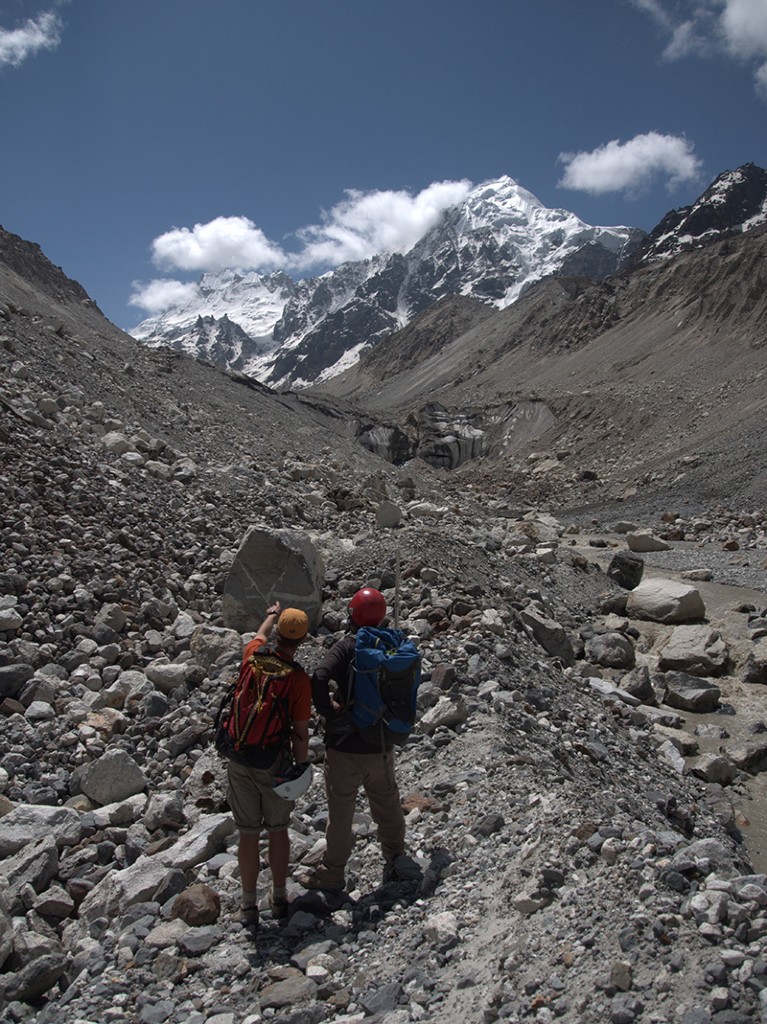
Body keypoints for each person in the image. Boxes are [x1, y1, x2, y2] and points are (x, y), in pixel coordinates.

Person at [297, 587, 408, 891]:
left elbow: (319, 676)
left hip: (345, 746)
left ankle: (332, 874)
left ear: (352, 615)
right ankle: (396, 855)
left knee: (341, 810)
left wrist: (329, 713)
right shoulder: (393, 645)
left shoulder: (348, 646)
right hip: (381, 743)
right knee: (386, 801)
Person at [226, 601, 311, 927]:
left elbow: (257, 635)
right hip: (273, 762)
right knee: (277, 830)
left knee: (247, 833)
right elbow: (300, 732)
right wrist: (299, 768)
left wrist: (270, 614)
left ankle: (248, 906)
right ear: (302, 640)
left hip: (239, 755)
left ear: (277, 634)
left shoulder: (253, 656)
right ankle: (278, 898)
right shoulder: (297, 679)